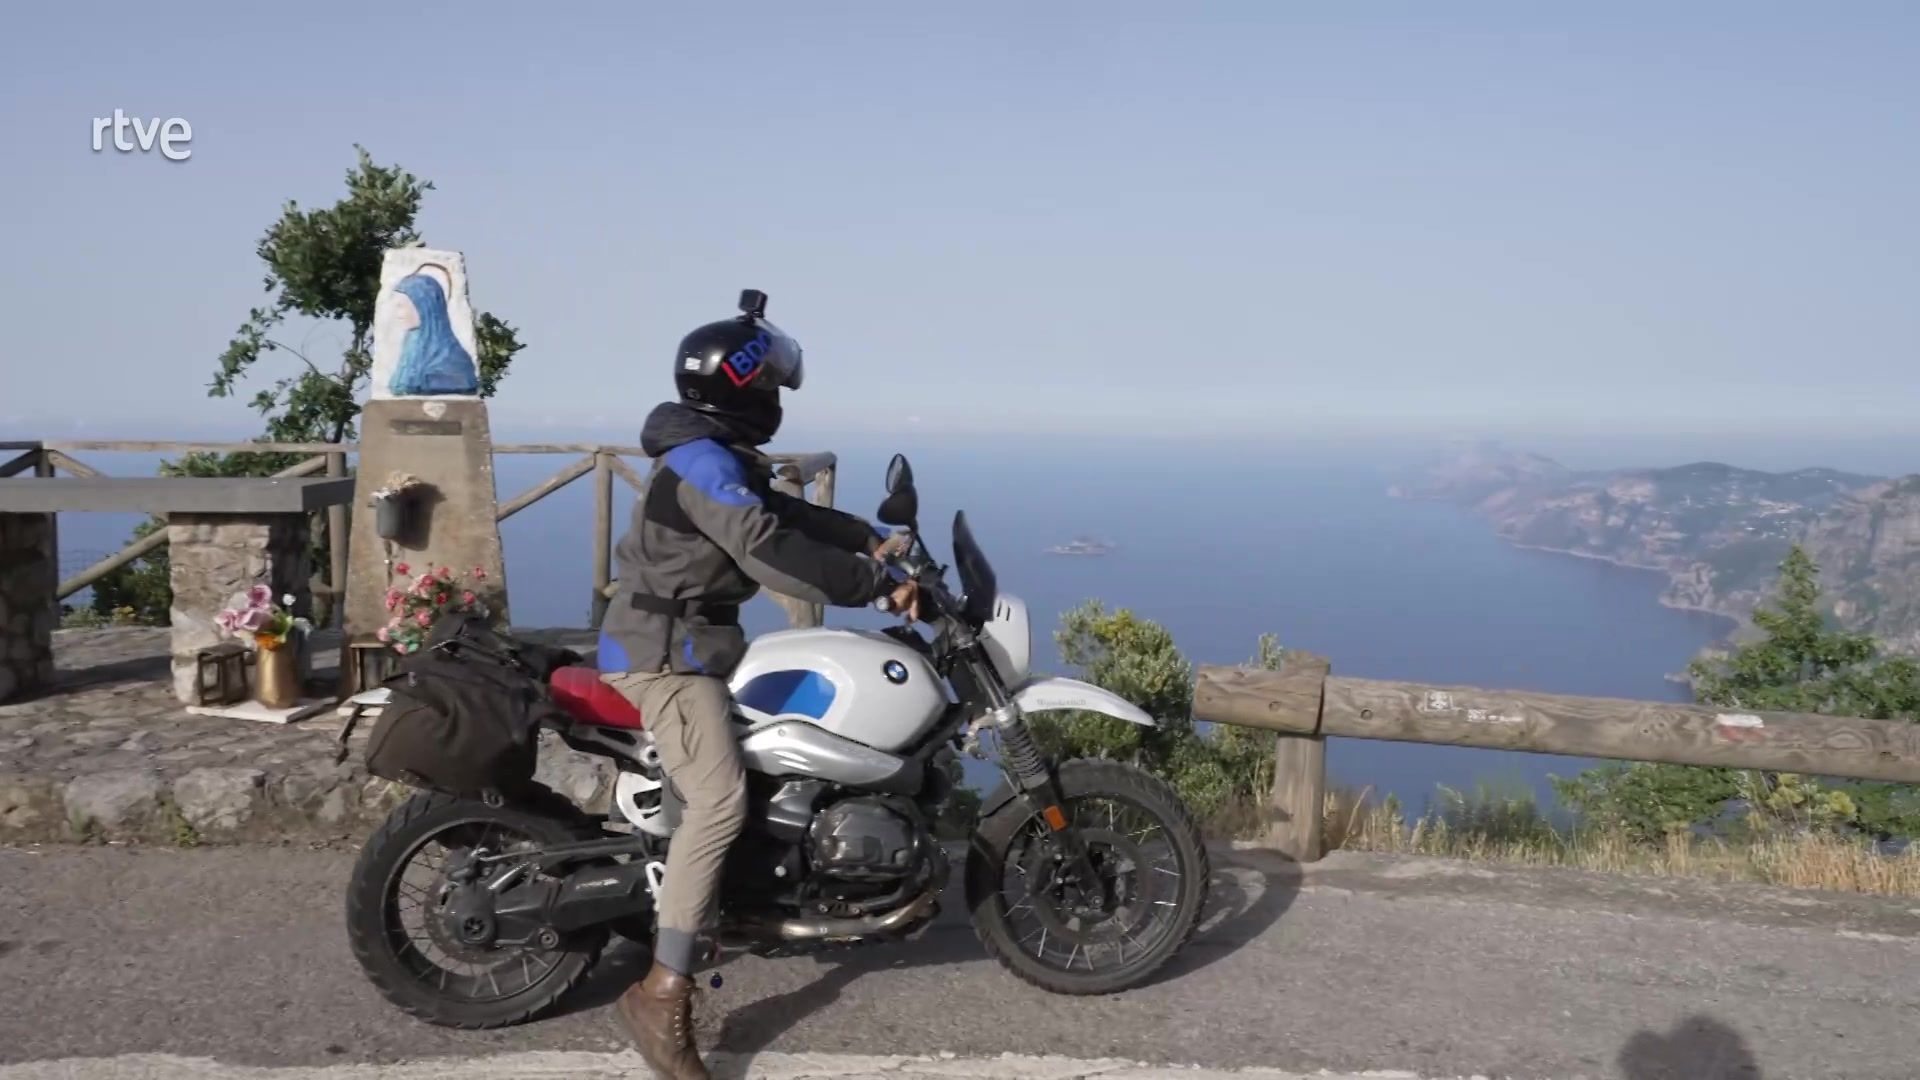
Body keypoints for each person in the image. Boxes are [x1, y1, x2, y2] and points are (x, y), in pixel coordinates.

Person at [597, 289, 917, 1080]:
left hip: (694, 645)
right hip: (664, 655)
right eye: (770, 385)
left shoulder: (713, 454)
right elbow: (767, 547)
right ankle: (661, 993)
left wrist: (869, 538)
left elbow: (782, 514)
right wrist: (874, 586)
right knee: (717, 801)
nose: (776, 399)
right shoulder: (704, 462)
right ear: (740, 388)